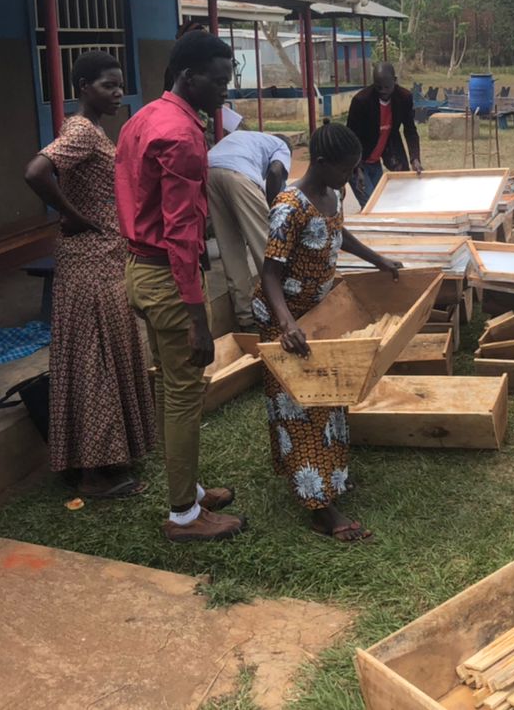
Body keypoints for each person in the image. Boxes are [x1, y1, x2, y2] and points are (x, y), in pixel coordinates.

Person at [115, 30, 244, 543]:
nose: (224, 93)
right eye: (217, 82)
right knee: (185, 391)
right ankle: (183, 516)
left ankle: (188, 489)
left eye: (227, 81)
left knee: (172, 388)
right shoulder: (183, 137)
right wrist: (197, 319)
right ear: (187, 77)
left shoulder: (144, 117)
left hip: (139, 271)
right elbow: (180, 234)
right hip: (168, 279)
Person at [253, 123, 402, 542]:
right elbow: (269, 275)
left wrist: (380, 261)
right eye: (346, 170)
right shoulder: (289, 207)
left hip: (319, 313)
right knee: (301, 407)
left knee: (331, 395)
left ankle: (331, 475)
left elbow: (339, 233)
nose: (351, 179)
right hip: (287, 321)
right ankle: (319, 507)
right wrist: (287, 325)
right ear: (320, 163)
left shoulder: (331, 195)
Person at [23, 51, 156, 499]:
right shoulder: (81, 130)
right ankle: (94, 473)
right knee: (94, 360)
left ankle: (110, 455)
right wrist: (74, 215)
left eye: (120, 85)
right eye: (107, 85)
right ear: (83, 86)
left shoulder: (94, 129)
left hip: (107, 259)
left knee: (109, 353)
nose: (117, 92)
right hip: (90, 264)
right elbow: (36, 172)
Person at [206, 128, 291, 330]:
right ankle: (284, 313)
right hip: (238, 174)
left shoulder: (249, 138)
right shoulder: (281, 146)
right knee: (267, 248)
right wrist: (271, 208)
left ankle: (245, 318)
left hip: (209, 173)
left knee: (230, 250)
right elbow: (275, 171)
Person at [345, 62, 422, 206]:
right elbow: (350, 138)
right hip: (358, 159)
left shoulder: (404, 98)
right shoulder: (361, 101)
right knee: (370, 204)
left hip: (381, 157)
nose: (382, 91)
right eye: (378, 86)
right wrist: (356, 169)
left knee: (386, 199)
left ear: (395, 80)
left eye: (387, 87)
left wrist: (415, 158)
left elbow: (410, 130)